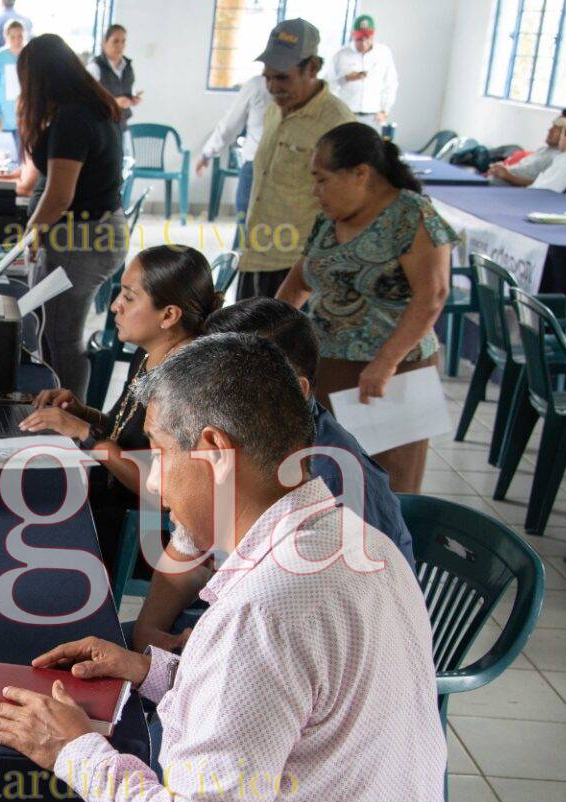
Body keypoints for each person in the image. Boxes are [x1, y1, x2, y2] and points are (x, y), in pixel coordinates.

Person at [0, 333, 480, 802]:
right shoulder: (355, 542)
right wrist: (153, 671)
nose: (157, 480)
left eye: (163, 451)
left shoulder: (268, 605)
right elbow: (302, 710)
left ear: (217, 453)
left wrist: (70, 749)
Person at [131, 297, 416, 653]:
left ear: (294, 390)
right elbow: (189, 546)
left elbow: (320, 626)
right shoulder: (221, 443)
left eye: (222, 379)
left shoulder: (332, 478)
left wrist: (192, 658)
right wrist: (147, 632)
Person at [276, 122, 456, 493]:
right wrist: (269, 340)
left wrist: (385, 363)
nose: (316, 191)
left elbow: (432, 295)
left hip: (388, 377)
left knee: (383, 486)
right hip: (327, 366)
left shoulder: (412, 216)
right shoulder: (330, 220)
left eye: (323, 180)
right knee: (324, 478)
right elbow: (299, 281)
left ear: (361, 174)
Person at [20, 245, 219, 567]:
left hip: (146, 529)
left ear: (168, 315)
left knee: (27, 522)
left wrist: (85, 434)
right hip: (112, 496)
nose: (114, 307)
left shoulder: (185, 384)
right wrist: (80, 413)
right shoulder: (149, 353)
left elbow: (164, 490)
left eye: (128, 297)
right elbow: (124, 433)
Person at [17, 33, 128, 399]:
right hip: (93, 232)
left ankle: (68, 421)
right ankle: (58, 406)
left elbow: (59, 196)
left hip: (83, 238)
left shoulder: (73, 119)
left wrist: (31, 233)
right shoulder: (93, 107)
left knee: (62, 336)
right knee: (53, 329)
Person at [236, 19, 354, 300]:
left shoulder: (336, 123)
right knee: (244, 342)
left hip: (297, 269)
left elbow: (347, 208)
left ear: (312, 67)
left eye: (283, 78)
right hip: (255, 254)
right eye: (268, 77)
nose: (273, 87)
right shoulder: (274, 111)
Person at [194, 73, 270, 221]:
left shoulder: (257, 85)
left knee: (246, 227)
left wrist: (207, 154)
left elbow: (231, 124)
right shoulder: (306, 90)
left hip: (256, 165)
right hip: (265, 166)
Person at [329, 14, 398, 130]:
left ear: (373, 35)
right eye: (359, 39)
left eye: (367, 38)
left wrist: (385, 110)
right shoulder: (341, 55)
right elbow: (330, 84)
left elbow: (390, 83)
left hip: (373, 116)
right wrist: (345, 78)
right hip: (347, 114)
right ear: (353, 35)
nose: (364, 43)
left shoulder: (383, 53)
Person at [486, 107, 566, 186]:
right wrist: (502, 169)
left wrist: (508, 176)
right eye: (552, 126)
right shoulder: (543, 150)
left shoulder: (560, 159)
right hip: (501, 178)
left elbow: (544, 186)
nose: (550, 130)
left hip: (512, 188)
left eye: (557, 128)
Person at [86, 24, 140, 123]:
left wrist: (132, 99)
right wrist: (114, 102)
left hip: (122, 122)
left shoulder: (127, 66)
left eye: (123, 41)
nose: (120, 46)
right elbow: (87, 98)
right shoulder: (95, 67)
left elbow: (126, 90)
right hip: (101, 122)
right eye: (115, 41)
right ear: (104, 43)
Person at [0, 18, 26, 140]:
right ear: (6, 37)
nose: (16, 40)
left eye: (20, 36)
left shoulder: (29, 55)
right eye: (12, 37)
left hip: (24, 119)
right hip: (3, 118)